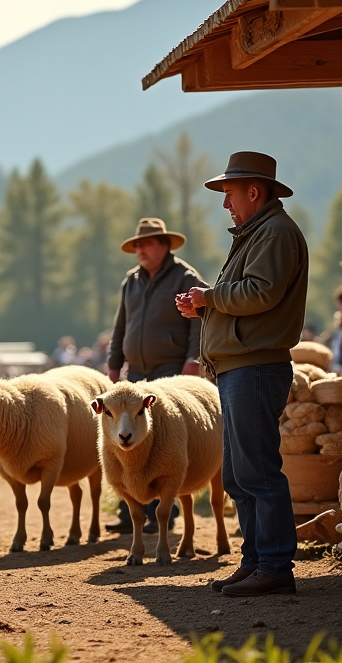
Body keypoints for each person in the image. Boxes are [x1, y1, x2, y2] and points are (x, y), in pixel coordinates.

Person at [177, 151, 308, 597]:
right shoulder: (262, 232)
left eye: (230, 194)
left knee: (257, 472)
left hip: (253, 368)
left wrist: (210, 298)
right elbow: (250, 297)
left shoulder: (273, 233)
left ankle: (272, 565)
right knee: (238, 473)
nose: (226, 204)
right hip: (241, 367)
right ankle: (256, 562)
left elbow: (260, 293)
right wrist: (206, 304)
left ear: (254, 192)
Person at [105, 216, 207, 534]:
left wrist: (193, 359)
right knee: (125, 439)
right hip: (135, 371)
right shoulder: (131, 281)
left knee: (163, 443)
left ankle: (164, 513)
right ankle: (129, 512)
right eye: (137, 245)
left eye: (147, 244)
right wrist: (113, 362)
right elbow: (121, 325)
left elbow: (198, 322)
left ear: (165, 245)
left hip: (170, 372)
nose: (141, 250)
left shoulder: (185, 277)